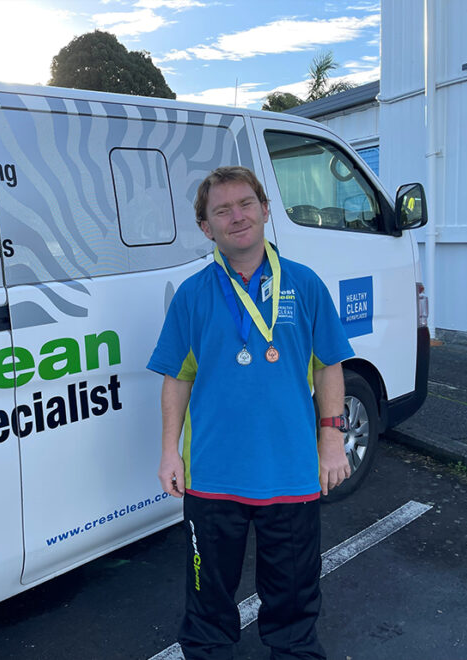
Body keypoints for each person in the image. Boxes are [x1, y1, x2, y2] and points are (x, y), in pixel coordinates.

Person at [146, 166, 354, 660]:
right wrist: (168, 453)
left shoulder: (304, 285)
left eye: (245, 204)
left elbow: (329, 366)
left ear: (264, 210)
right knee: (208, 602)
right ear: (206, 227)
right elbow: (177, 377)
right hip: (213, 475)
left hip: (292, 471)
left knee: (295, 599)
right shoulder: (193, 295)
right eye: (222, 210)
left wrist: (331, 440)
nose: (236, 216)